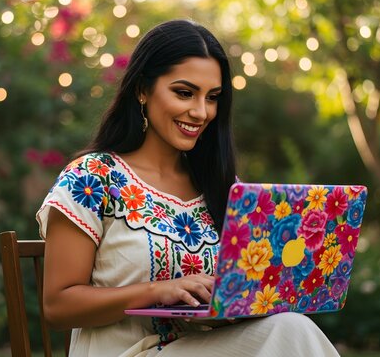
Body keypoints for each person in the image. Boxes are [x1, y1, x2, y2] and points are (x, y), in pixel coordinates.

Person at [36, 19, 340, 357]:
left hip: (206, 347)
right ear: (142, 88)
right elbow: (58, 306)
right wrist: (157, 291)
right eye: (184, 92)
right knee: (290, 332)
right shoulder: (92, 178)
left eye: (212, 98)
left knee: (289, 324)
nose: (200, 112)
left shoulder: (225, 188)